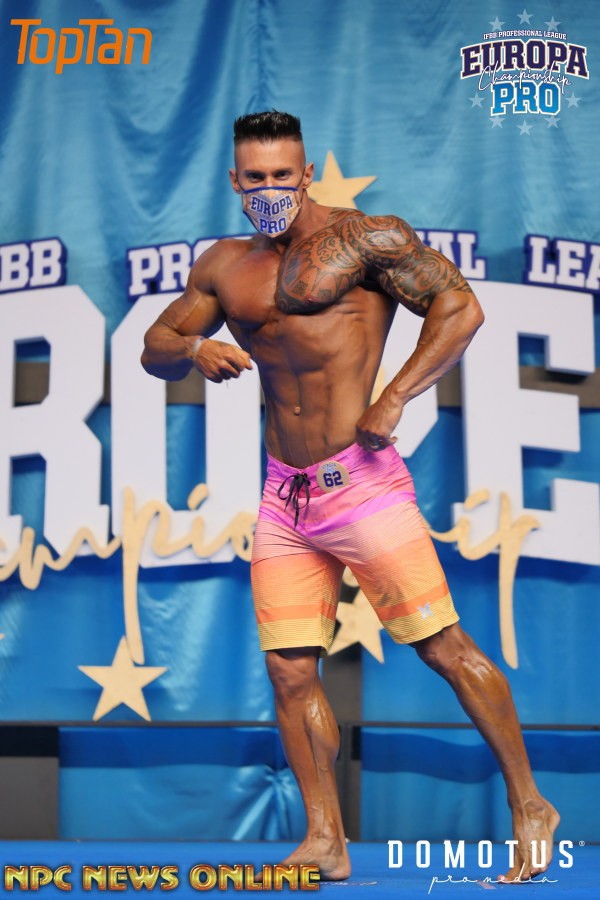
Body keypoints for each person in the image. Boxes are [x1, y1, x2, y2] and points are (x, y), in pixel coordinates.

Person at [141, 111, 559, 883]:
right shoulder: (225, 265)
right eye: (255, 178)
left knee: (442, 648)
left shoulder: (368, 240)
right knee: (290, 673)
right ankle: (325, 838)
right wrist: (195, 347)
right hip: (284, 496)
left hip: (361, 485)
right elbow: (155, 349)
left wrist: (395, 396)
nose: (270, 189)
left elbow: (461, 308)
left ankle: (531, 804)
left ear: (305, 174)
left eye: (283, 175)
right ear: (235, 181)